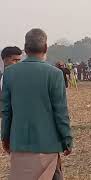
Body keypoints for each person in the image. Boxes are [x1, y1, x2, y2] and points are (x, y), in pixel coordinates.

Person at [1, 28, 73, 180]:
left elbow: (6, 112)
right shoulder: (54, 74)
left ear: (25, 49)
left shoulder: (9, 73)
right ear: (45, 48)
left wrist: (5, 137)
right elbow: (60, 112)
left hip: (19, 143)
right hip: (48, 144)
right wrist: (67, 139)